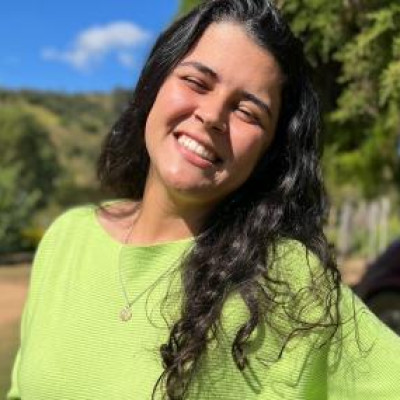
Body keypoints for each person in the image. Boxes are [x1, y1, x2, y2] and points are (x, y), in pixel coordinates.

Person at [7, 1, 400, 399]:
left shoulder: (287, 279)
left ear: (268, 152)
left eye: (248, 112)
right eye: (196, 82)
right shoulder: (66, 238)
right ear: (155, 83)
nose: (212, 115)